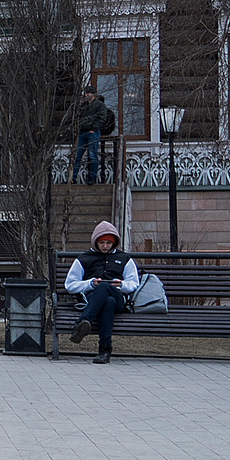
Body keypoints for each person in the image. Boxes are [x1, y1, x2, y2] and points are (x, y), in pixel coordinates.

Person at [66, 219, 141, 364]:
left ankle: (83, 321)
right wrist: (90, 284)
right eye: (102, 243)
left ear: (114, 242)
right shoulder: (84, 258)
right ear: (96, 242)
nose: (105, 246)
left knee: (107, 289)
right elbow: (70, 285)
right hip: (94, 298)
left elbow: (133, 283)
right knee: (108, 301)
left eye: (108, 243)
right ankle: (104, 351)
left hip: (120, 298)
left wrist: (121, 285)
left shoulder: (124, 258)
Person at [72, 86, 116, 184]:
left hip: (92, 132)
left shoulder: (99, 105)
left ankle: (92, 177)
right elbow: (77, 116)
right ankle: (73, 178)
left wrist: (93, 128)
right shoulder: (83, 105)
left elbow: (102, 119)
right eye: (86, 93)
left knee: (92, 156)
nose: (86, 95)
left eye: (88, 93)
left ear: (93, 94)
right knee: (77, 156)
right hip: (82, 132)